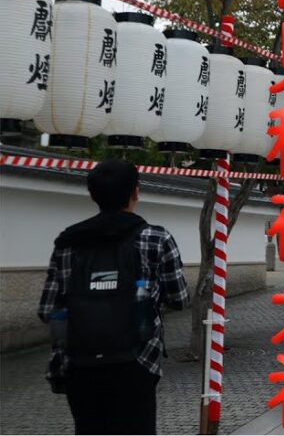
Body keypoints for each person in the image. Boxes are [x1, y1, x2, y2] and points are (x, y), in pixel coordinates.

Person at [39, 159, 190, 434]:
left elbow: (48, 308)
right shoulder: (156, 238)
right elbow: (179, 298)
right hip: (137, 361)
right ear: (135, 192)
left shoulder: (68, 242)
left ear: (92, 194)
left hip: (80, 363)